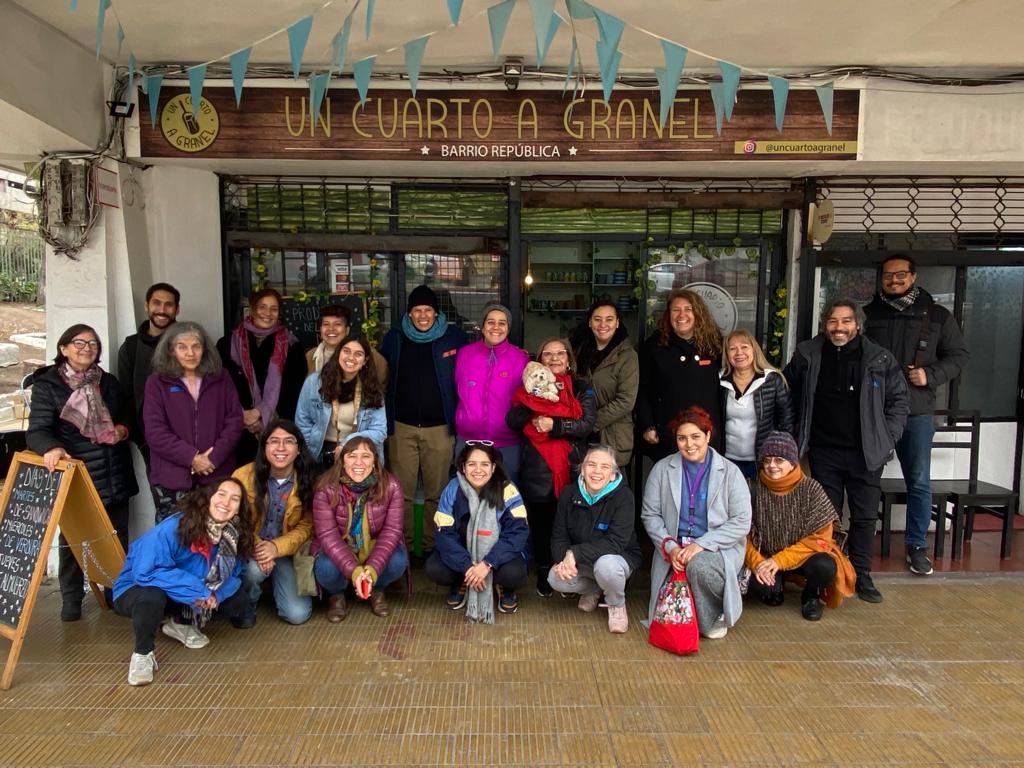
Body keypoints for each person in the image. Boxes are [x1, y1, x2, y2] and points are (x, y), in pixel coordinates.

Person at [784, 299, 909, 604]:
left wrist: (886, 438)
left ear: (857, 325)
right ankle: (822, 581)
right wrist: (793, 435)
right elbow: (787, 392)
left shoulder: (879, 358)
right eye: (833, 322)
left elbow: (899, 401)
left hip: (865, 452)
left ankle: (861, 574)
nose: (839, 328)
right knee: (825, 518)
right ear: (824, 325)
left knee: (865, 517)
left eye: (846, 321)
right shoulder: (808, 354)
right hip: (824, 450)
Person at [864, 255, 969, 576]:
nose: (893, 281)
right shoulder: (868, 315)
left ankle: (916, 546)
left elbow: (959, 356)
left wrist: (930, 374)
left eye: (900, 275)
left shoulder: (936, 315)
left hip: (917, 410)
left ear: (913, 276)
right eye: (887, 275)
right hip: (874, 411)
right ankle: (859, 543)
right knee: (866, 478)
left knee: (919, 480)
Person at [26, 324, 139, 621]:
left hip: (114, 472)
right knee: (74, 541)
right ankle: (72, 599)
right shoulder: (48, 385)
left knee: (116, 537)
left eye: (92, 344)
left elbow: (129, 416)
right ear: (63, 348)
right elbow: (37, 430)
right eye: (79, 342)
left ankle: (118, 593)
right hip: (80, 475)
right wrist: (50, 447)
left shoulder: (109, 382)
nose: (86, 348)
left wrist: (123, 429)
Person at [111, 478, 254, 686]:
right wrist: (199, 591)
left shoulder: (232, 535)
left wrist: (215, 595)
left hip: (187, 593)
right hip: (137, 587)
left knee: (238, 596)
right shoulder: (175, 527)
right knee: (152, 596)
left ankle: (179, 622)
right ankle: (142, 654)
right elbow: (146, 572)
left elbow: (234, 574)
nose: (226, 502)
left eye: (235, 499)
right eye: (221, 494)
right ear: (208, 498)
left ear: (239, 508)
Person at [641, 406, 751, 639]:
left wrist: (702, 544)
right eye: (682, 438)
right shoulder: (662, 469)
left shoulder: (730, 472)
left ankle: (710, 617)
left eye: (695, 437)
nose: (689, 444)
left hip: (717, 549)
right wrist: (670, 547)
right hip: (674, 548)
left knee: (698, 566)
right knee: (669, 598)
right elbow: (650, 515)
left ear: (708, 436)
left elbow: (742, 521)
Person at [380, 285, 467, 554]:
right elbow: (382, 376)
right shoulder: (394, 338)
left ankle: (432, 548)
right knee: (401, 494)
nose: (422, 316)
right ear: (409, 313)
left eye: (428, 310)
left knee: (437, 494)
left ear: (436, 312)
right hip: (402, 428)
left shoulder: (454, 338)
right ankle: (402, 549)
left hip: (440, 428)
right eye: (417, 310)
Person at [506, 338, 596, 597]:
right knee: (543, 521)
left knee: (572, 521)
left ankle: (571, 569)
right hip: (537, 466)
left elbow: (587, 424)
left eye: (560, 354)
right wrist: (532, 398)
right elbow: (512, 421)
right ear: (539, 359)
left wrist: (554, 425)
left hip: (571, 464)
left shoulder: (580, 388)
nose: (555, 358)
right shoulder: (526, 387)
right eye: (548, 354)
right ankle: (546, 568)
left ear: (569, 359)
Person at [745, 432, 856, 621]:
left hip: (803, 558)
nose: (772, 466)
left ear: (792, 462)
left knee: (825, 566)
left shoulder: (811, 489)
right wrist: (757, 563)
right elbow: (740, 534)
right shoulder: (751, 488)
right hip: (766, 557)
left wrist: (779, 561)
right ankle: (775, 587)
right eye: (767, 460)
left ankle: (811, 594)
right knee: (761, 588)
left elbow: (821, 538)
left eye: (779, 460)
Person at [144, 322, 244, 522]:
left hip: (216, 474)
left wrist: (212, 458)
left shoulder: (221, 377)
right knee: (174, 538)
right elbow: (155, 432)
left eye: (196, 346)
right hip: (172, 478)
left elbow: (234, 421)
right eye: (182, 347)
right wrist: (192, 458)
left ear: (204, 349)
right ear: (171, 350)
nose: (190, 353)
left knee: (216, 536)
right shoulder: (157, 382)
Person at [426, 443, 530, 621]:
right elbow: (444, 534)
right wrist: (467, 566)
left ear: (494, 467)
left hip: (497, 558)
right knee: (435, 568)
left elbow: (517, 533)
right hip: (464, 556)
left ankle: (504, 588)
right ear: (463, 468)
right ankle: (463, 581)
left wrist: (488, 563)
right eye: (472, 464)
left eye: (484, 464)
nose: (478, 470)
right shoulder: (452, 489)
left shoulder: (508, 490)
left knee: (514, 573)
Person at [312, 435, 408, 622]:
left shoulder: (391, 486)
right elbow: (328, 536)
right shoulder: (326, 488)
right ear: (342, 461)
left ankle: (377, 589)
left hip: (373, 548)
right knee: (325, 567)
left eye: (365, 456)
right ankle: (336, 595)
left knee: (398, 560)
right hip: (341, 547)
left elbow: (392, 532)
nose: (358, 462)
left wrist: (371, 570)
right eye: (352, 456)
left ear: (375, 462)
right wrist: (356, 571)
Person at [548, 444, 642, 634]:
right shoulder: (569, 494)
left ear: (613, 474)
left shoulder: (623, 497)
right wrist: (564, 560)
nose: (597, 471)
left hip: (617, 560)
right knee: (555, 578)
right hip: (584, 562)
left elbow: (616, 542)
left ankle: (616, 604)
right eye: (591, 465)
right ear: (582, 469)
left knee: (606, 565)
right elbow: (559, 536)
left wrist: (574, 553)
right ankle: (595, 589)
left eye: (605, 467)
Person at [232, 419, 316, 628]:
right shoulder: (243, 476)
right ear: (264, 447)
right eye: (274, 441)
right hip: (251, 548)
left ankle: (273, 585)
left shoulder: (309, 480)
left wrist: (276, 548)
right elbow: (234, 521)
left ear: (298, 449)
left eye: (288, 441)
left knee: (297, 614)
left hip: (286, 553)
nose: (281, 448)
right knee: (253, 571)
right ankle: (246, 605)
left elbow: (308, 527)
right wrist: (261, 547)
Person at [217, 288, 308, 465]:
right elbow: (222, 384)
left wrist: (260, 413)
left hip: (277, 428)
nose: (267, 313)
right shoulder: (228, 343)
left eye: (273, 309)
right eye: (262, 307)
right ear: (252, 309)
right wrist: (243, 416)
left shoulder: (291, 346)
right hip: (236, 428)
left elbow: (293, 390)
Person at [638, 289, 724, 461]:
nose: (681, 315)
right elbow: (643, 390)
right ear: (668, 315)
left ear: (698, 313)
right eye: (675, 310)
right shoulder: (655, 347)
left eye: (688, 309)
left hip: (707, 432)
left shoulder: (714, 344)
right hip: (668, 431)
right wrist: (647, 425)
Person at [454, 301, 529, 479]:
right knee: (467, 498)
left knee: (507, 497)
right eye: (491, 322)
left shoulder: (520, 359)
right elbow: (456, 388)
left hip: (506, 443)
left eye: (502, 323)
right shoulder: (465, 354)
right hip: (468, 441)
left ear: (508, 329)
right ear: (483, 326)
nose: (496, 327)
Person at [295, 333, 386, 470]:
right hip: (319, 452)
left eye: (358, 354)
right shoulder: (315, 382)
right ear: (338, 353)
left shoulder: (372, 389)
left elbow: (379, 431)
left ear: (365, 361)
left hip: (357, 453)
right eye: (346, 351)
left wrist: (348, 443)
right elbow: (302, 421)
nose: (351, 357)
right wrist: (311, 453)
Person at [570, 301, 639, 468]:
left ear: (617, 323)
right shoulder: (578, 351)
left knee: (611, 487)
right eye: (597, 319)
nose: (603, 325)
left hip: (611, 435)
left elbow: (626, 401)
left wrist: (591, 422)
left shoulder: (627, 356)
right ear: (589, 322)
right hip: (581, 436)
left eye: (609, 319)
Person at [116, 282, 180, 459]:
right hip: (149, 440)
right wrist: (140, 436)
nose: (162, 309)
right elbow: (127, 397)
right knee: (161, 487)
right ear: (147, 306)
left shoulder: (190, 344)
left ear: (177, 309)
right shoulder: (131, 347)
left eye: (169, 304)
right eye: (156, 303)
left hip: (188, 437)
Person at [719, 329, 794, 479]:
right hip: (727, 460)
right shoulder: (719, 381)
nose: (739, 353)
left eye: (744, 347)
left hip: (763, 461)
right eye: (732, 349)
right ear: (727, 355)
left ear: (754, 350)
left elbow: (786, 422)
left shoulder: (773, 380)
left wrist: (776, 456)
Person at [305, 303, 388, 386]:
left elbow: (381, 383)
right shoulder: (309, 357)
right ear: (320, 330)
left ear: (347, 330)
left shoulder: (369, 354)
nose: (331, 329)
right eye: (326, 324)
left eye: (337, 324)